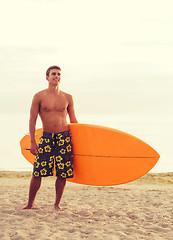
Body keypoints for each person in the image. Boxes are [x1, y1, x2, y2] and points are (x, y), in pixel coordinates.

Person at [23, 65, 78, 210]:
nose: (57, 76)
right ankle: (30, 204)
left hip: (64, 137)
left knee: (62, 172)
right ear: (47, 77)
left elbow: (73, 120)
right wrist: (32, 141)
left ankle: (57, 204)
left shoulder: (68, 97)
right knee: (38, 171)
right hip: (46, 137)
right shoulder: (39, 96)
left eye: (59, 74)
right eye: (53, 74)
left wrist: (80, 141)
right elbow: (32, 120)